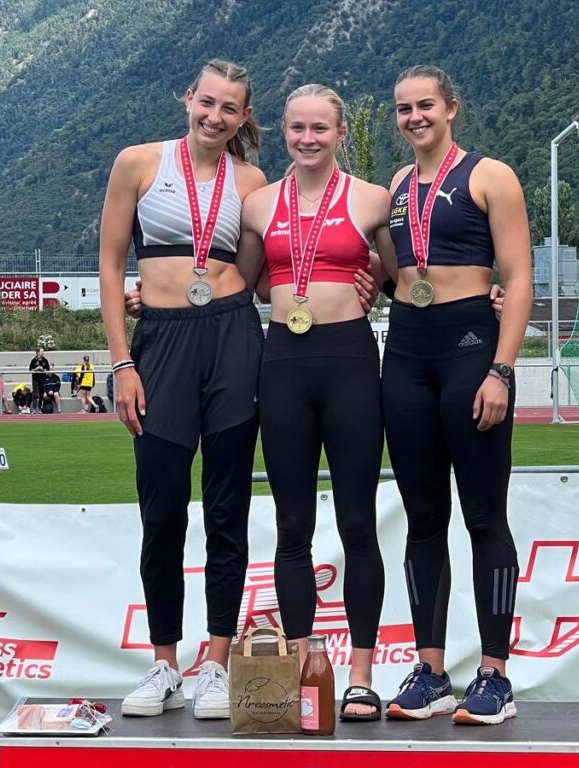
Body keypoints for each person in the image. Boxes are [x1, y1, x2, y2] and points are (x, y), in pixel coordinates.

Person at [98, 59, 267, 721]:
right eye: (207, 102)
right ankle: (165, 662)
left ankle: (216, 666)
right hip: (159, 347)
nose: (215, 116)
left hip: (231, 340)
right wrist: (121, 363)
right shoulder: (137, 164)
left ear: (243, 118)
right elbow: (112, 266)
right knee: (162, 510)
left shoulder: (253, 183)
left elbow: (258, 278)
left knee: (227, 513)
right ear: (187, 97)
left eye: (230, 108)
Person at [378, 65, 532, 726]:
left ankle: (494, 674)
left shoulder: (490, 176)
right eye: (404, 109)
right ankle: (431, 671)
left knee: (484, 518)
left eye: (425, 106)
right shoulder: (394, 187)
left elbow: (519, 277)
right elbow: (393, 276)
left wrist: (501, 369)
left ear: (452, 109)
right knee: (423, 519)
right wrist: (370, 287)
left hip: (472, 348)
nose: (414, 118)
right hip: (408, 351)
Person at [234, 84, 391, 721]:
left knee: (357, 522)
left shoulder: (372, 199)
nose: (307, 138)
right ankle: (304, 662)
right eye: (297, 127)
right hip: (285, 366)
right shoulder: (258, 205)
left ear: (340, 132)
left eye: (320, 128)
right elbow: (237, 284)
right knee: (292, 525)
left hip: (352, 361)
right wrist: (151, 299)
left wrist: (380, 280)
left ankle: (359, 671)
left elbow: (404, 278)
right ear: (283, 130)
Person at [28, 347, 51, 414]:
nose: (42, 353)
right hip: (35, 378)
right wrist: (36, 369)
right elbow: (30, 369)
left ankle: (39, 408)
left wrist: (43, 369)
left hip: (42, 379)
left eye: (43, 352)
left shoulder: (45, 360)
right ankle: (34, 408)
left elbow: (48, 369)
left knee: (41, 394)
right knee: (35, 394)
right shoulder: (33, 360)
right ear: (38, 352)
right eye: (41, 352)